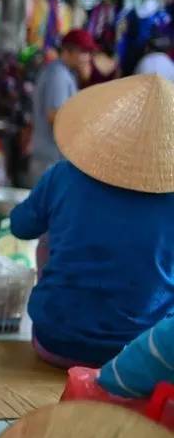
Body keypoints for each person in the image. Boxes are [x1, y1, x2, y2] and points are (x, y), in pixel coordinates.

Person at [11, 74, 174, 368]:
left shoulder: (63, 175)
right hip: (141, 359)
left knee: (49, 238)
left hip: (55, 343)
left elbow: (20, 226)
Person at [26, 29, 96, 187]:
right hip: (49, 159)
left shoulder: (65, 73)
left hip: (52, 158)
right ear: (68, 51)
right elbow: (54, 115)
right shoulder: (58, 74)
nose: (87, 57)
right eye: (83, 52)